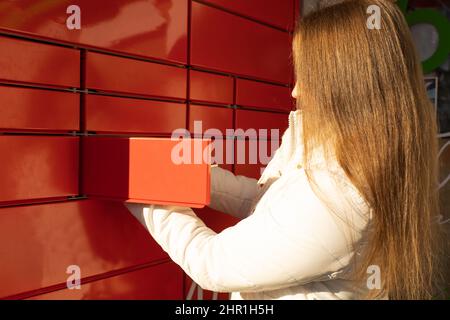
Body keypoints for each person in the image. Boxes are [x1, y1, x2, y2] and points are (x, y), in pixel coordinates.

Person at [125, 0, 446, 300]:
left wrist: (143, 189)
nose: (295, 90)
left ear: (345, 86)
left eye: (308, 76)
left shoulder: (343, 199)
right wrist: (189, 178)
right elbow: (269, 202)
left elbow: (214, 264)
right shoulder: (356, 157)